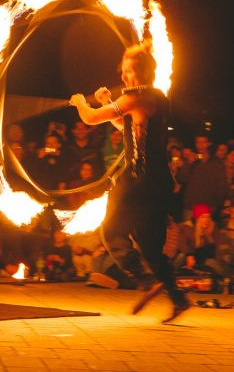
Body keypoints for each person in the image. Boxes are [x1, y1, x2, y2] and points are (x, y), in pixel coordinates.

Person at [69, 42, 189, 322]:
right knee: (148, 245)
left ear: (138, 73)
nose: (122, 77)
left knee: (111, 229)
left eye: (126, 71)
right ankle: (177, 297)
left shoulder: (134, 99)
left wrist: (81, 103)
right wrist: (107, 102)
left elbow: (90, 119)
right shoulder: (154, 98)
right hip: (159, 183)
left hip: (138, 179)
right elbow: (127, 129)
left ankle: (145, 280)